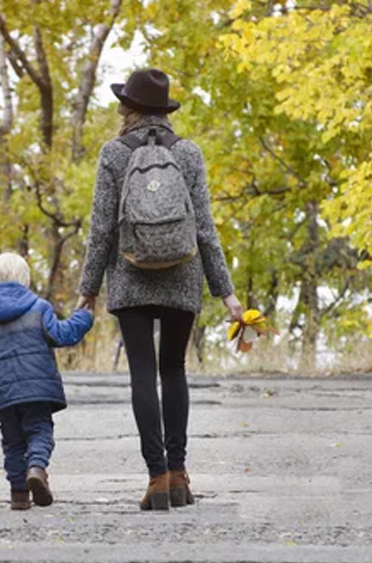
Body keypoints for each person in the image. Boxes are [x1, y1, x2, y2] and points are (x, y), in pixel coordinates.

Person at [77, 68, 245, 511]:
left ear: (127, 108)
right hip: (183, 274)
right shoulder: (188, 153)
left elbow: (101, 231)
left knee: (141, 373)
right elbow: (205, 228)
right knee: (173, 370)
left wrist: (88, 289)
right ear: (165, 111)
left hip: (130, 275)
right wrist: (225, 293)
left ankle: (155, 477)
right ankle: (178, 474)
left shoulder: (113, 153)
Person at [0, 253, 94, 510]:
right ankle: (37, 469)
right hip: (37, 391)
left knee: (12, 443)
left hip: (2, 396)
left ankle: (18, 494)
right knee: (39, 431)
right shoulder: (39, 309)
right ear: (25, 279)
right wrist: (84, 317)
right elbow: (64, 335)